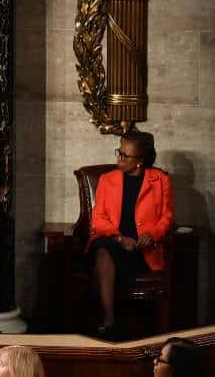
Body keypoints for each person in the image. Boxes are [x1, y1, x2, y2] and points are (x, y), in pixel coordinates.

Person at [86, 130, 173, 339]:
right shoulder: (107, 180)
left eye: (126, 155)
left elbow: (167, 217)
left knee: (103, 257)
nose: (119, 158)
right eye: (119, 152)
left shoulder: (160, 180)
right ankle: (110, 322)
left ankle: (115, 325)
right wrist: (119, 238)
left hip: (142, 250)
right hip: (112, 241)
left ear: (140, 161)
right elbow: (97, 219)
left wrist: (152, 234)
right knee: (103, 250)